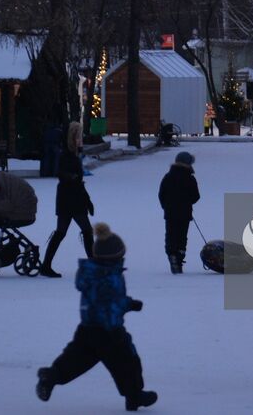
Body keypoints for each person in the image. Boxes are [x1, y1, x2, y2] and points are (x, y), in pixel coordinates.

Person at [35, 223, 157, 411]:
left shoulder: (92, 272)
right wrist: (129, 304)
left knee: (75, 360)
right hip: (110, 331)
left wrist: (126, 303)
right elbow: (113, 303)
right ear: (115, 257)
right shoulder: (110, 276)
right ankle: (134, 396)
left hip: (87, 328)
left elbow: (103, 301)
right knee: (127, 363)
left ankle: (52, 376)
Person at [40, 122, 95, 278]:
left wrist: (87, 199)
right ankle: (93, 264)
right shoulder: (67, 154)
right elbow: (61, 173)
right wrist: (72, 178)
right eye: (79, 136)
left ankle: (46, 265)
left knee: (62, 232)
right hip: (71, 198)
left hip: (70, 197)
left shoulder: (72, 154)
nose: (81, 139)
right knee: (86, 230)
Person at [157, 152, 199, 274]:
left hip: (170, 213)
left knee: (170, 235)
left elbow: (161, 194)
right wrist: (187, 202)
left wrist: (166, 206)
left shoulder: (168, 177)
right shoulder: (190, 178)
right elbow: (196, 196)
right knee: (182, 236)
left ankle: (172, 256)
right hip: (185, 213)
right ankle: (179, 258)